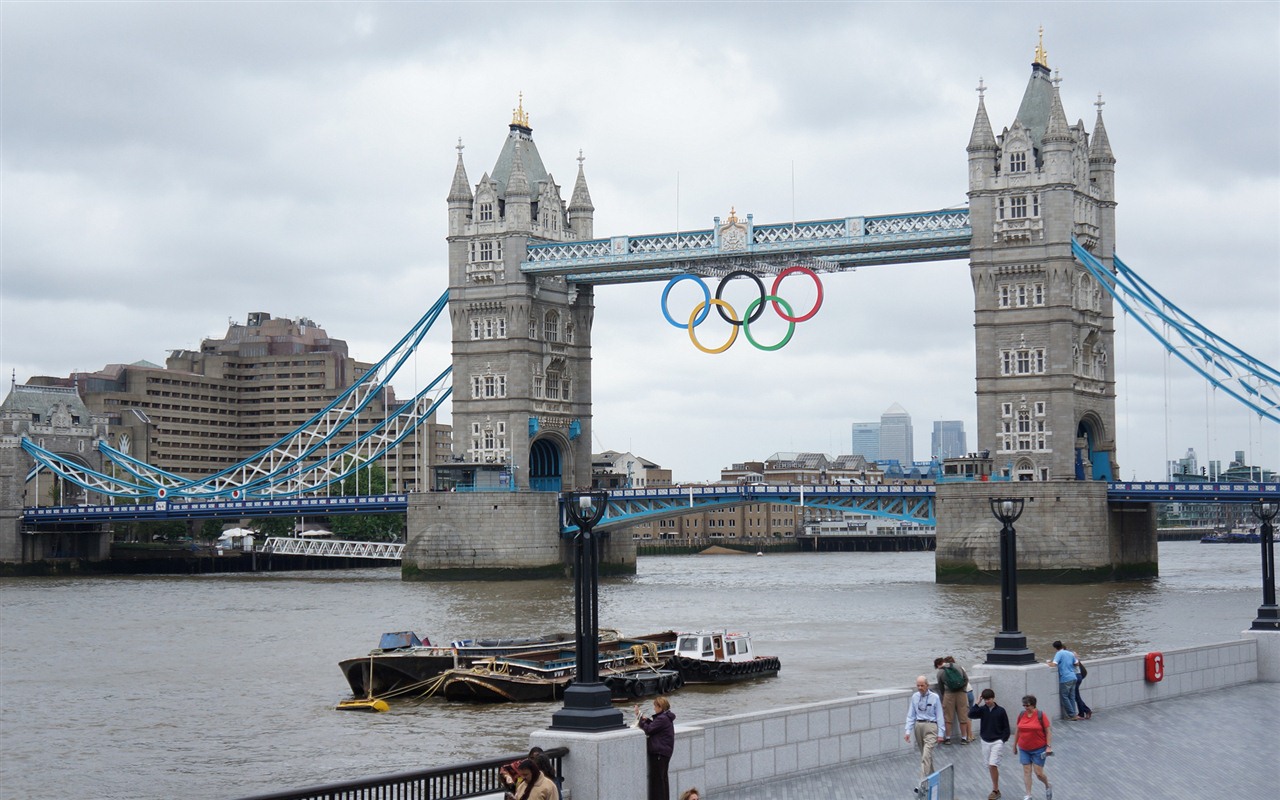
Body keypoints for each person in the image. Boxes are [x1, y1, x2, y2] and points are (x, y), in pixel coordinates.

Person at [903, 674, 946, 792]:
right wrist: (908, 731)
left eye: (922, 685)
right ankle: (934, 779)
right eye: (918, 685)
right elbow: (911, 715)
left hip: (931, 726)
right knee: (925, 756)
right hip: (918, 727)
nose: (920, 687)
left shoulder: (935, 697)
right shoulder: (914, 697)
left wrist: (941, 733)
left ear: (927, 685)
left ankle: (921, 784)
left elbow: (940, 715)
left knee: (926, 756)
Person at [968, 688, 1012, 800]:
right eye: (985, 699)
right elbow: (971, 714)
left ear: (993, 698)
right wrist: (977, 702)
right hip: (985, 741)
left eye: (989, 699)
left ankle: (995, 789)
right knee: (989, 766)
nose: (987, 701)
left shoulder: (1001, 711)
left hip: (997, 741)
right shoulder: (982, 710)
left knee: (993, 765)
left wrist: (1003, 740)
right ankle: (996, 790)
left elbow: (1006, 727)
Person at [1012, 695, 1053, 800]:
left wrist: (1048, 746)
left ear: (1034, 705)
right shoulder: (1022, 715)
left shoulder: (1041, 715)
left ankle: (1047, 785)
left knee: (1038, 773)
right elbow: (1018, 730)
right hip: (1024, 748)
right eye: (1024, 705)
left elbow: (1048, 731)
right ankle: (1028, 794)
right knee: (1026, 770)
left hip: (1039, 748)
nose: (1025, 707)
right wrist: (1014, 745)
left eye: (1027, 705)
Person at [637, 696, 676, 800]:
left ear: (660, 707)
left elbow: (649, 730)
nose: (654, 708)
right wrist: (647, 720)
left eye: (655, 706)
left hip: (659, 753)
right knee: (663, 780)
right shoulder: (665, 717)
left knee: (658, 781)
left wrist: (641, 721)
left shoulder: (662, 718)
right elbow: (656, 726)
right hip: (664, 752)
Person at [942, 655, 973, 743]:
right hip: (962, 694)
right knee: (963, 716)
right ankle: (964, 738)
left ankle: (948, 738)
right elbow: (966, 679)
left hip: (948, 694)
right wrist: (962, 689)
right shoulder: (959, 667)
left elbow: (941, 684)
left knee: (948, 717)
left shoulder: (942, 671)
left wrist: (944, 693)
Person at [1046, 640, 1080, 720]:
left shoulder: (1059, 653)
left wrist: (1047, 663)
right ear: (1061, 645)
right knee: (1072, 696)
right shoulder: (1070, 653)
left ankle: (1071, 715)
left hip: (1065, 678)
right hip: (1073, 676)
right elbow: (1077, 663)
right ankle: (1074, 713)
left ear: (1055, 648)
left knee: (1064, 696)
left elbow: (1054, 664)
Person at [1073, 655, 1093, 720]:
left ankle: (1084, 712)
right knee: (1076, 696)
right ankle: (1084, 712)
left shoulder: (1070, 655)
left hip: (1077, 677)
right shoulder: (1071, 654)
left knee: (1076, 696)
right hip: (1080, 676)